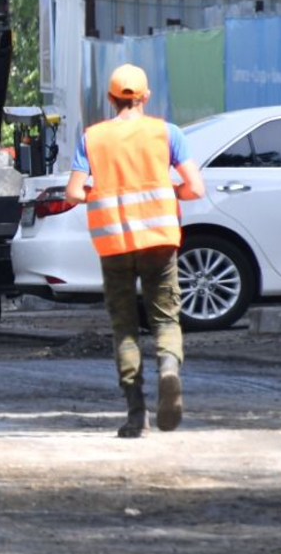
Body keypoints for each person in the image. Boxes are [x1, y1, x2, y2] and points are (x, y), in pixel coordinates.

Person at [64, 64, 204, 438]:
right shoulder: (166, 133)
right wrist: (169, 191)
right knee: (165, 319)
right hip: (159, 240)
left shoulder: (93, 138)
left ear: (111, 99)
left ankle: (135, 413)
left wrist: (104, 194)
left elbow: (74, 193)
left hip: (114, 245)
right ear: (145, 97)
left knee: (124, 326)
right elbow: (195, 188)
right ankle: (169, 370)